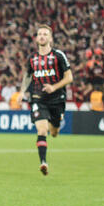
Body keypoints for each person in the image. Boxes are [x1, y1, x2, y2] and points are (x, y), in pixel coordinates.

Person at [17, 24, 73, 175]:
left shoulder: (58, 56)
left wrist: (54, 87)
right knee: (42, 130)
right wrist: (22, 91)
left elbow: (69, 77)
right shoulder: (32, 58)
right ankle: (43, 162)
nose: (42, 36)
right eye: (39, 34)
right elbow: (28, 76)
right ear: (36, 38)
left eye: (45, 34)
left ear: (50, 38)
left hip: (56, 99)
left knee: (54, 131)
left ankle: (55, 126)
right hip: (38, 98)